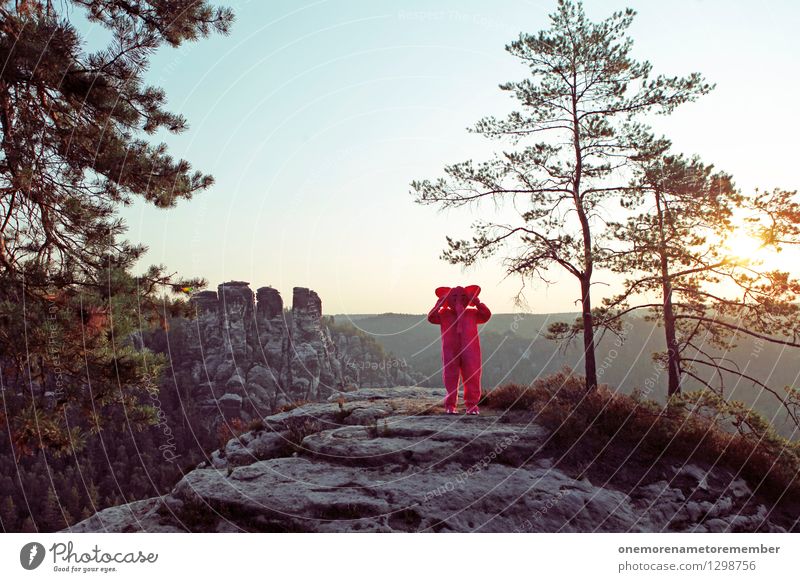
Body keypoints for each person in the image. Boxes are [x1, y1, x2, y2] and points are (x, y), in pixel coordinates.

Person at [427, 285, 491, 415]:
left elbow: (486, 315)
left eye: (463, 297)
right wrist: (439, 303)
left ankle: (472, 405)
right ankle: (450, 405)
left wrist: (476, 301)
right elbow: (431, 318)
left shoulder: (472, 313)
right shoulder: (444, 314)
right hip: (450, 350)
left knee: (472, 375)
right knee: (450, 376)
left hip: (471, 350)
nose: (458, 300)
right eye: (454, 297)